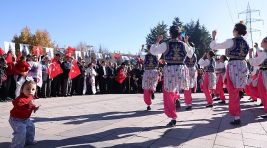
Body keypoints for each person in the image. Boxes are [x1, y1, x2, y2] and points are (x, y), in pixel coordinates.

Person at [150, 25, 193, 127]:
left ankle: (173, 117)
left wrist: (157, 41)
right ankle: (177, 97)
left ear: (170, 34)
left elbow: (153, 51)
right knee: (177, 88)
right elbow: (191, 54)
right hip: (181, 70)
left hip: (170, 70)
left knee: (168, 93)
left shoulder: (166, 44)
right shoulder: (183, 44)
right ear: (179, 35)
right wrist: (186, 42)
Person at [210, 22, 249, 125]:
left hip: (233, 66)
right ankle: (237, 115)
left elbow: (214, 46)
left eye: (233, 29)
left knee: (233, 92)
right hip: (242, 65)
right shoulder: (246, 42)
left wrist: (214, 37)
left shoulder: (231, 41)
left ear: (236, 31)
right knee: (236, 91)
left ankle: (237, 116)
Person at [9, 79, 40, 148]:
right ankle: (16, 146)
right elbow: (18, 106)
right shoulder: (20, 99)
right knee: (21, 131)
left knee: (31, 127)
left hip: (25, 119)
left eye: (33, 89)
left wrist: (34, 107)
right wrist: (28, 105)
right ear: (22, 90)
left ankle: (29, 140)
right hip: (16, 119)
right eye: (28, 89)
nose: (30, 91)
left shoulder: (31, 97)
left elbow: (31, 104)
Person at [248, 37, 267, 118]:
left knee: (263, 90)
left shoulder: (264, 53)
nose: (261, 42)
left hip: (264, 73)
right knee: (262, 90)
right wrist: (256, 48)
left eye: (262, 41)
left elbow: (254, 62)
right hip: (263, 72)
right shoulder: (264, 52)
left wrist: (249, 54)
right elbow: (259, 54)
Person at [142, 44, 160, 111]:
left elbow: (140, 55)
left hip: (147, 72)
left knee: (146, 89)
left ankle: (148, 104)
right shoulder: (156, 55)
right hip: (154, 71)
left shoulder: (145, 56)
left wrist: (142, 48)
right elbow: (160, 52)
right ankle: (152, 90)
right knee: (153, 84)